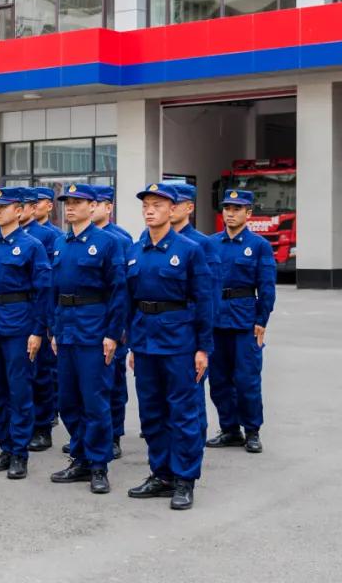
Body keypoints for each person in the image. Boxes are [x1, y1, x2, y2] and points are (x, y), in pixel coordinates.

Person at [125, 183, 214, 511]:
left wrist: (203, 348)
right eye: (146, 205)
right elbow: (130, 301)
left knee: (182, 412)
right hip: (146, 342)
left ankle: (184, 479)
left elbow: (204, 301)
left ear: (173, 209)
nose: (150, 210)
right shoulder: (136, 250)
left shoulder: (190, 250)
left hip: (179, 343)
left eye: (157, 205)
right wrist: (132, 344)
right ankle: (160, 473)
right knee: (151, 412)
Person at [48, 183, 126, 495]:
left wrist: (112, 334)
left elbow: (118, 291)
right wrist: (54, 330)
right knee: (68, 399)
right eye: (67, 202)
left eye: (78, 202)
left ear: (93, 207)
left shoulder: (107, 243)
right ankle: (79, 456)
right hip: (66, 330)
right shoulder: (61, 243)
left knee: (95, 400)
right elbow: (54, 292)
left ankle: (98, 464)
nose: (70, 207)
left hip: (94, 330)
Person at [0, 187, 52, 480]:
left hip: (18, 326)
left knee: (19, 390)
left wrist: (37, 330)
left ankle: (20, 452)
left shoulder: (32, 246)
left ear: (19, 212)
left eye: (3, 207)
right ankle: (5, 446)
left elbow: (43, 291)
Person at [206, 189, 276, 454]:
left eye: (237, 209)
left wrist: (262, 319)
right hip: (215, 320)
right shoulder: (211, 244)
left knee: (246, 379)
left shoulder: (259, 245)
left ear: (248, 213)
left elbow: (266, 285)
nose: (230, 213)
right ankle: (229, 429)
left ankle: (252, 430)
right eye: (227, 208)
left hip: (245, 321)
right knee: (220, 380)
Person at [168, 183, 221, 443]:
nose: (170, 208)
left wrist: (204, 339)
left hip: (188, 329)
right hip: (163, 330)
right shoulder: (149, 241)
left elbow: (209, 294)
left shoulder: (202, 244)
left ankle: (194, 441)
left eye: (175, 203)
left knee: (192, 390)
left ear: (189, 207)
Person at [20, 188, 63, 452]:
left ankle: (43, 425)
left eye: (31, 204)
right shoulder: (6, 237)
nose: (28, 208)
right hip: (13, 314)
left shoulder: (49, 237)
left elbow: (48, 283)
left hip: (37, 310)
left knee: (40, 373)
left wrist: (48, 321)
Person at [92, 185, 132, 460]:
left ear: (109, 207)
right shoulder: (75, 238)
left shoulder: (120, 239)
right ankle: (92, 437)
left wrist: (124, 326)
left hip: (113, 321)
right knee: (91, 386)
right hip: (87, 322)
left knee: (114, 381)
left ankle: (114, 434)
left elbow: (126, 286)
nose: (92, 207)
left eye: (98, 203)